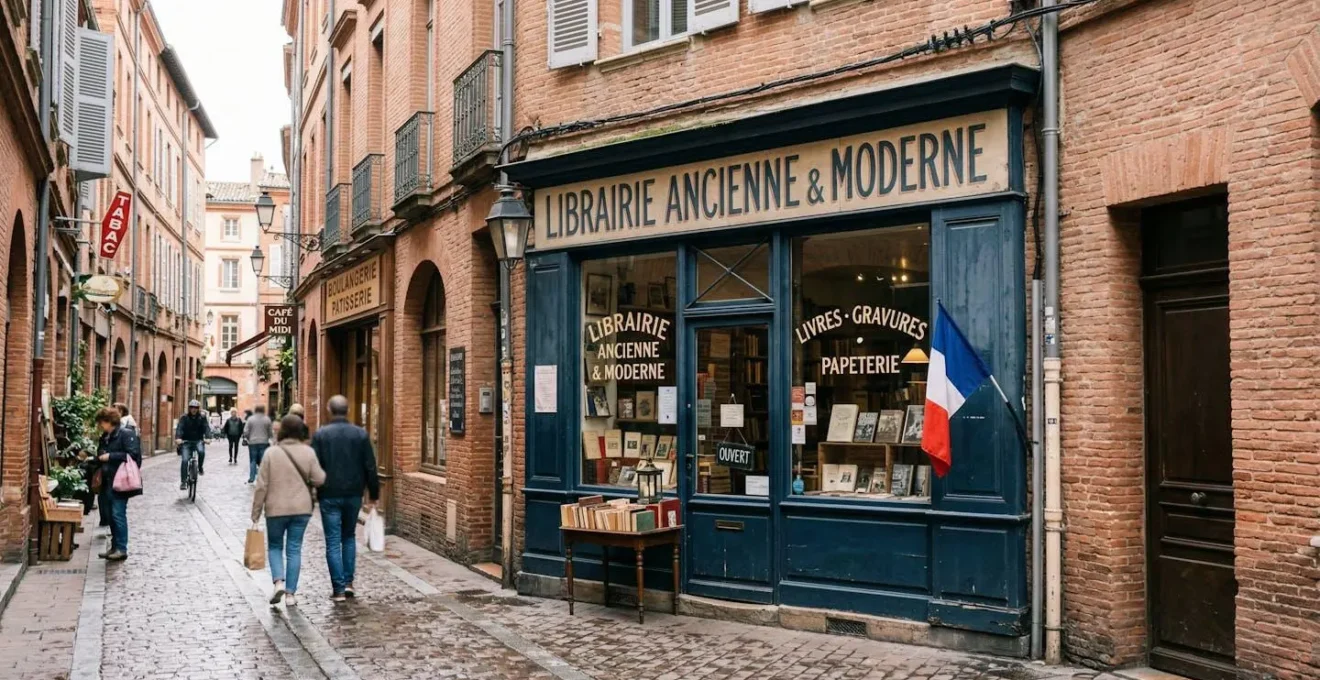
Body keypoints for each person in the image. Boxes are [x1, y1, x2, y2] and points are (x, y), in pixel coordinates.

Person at [251, 415, 326, 608]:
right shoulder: (308, 453)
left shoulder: (271, 453)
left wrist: (255, 515)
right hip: (301, 510)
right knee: (294, 549)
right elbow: (320, 479)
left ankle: (278, 583)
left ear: (282, 430)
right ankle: (291, 594)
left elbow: (261, 486)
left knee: (275, 546)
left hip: (275, 510)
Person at [312, 395, 379, 602]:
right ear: (348, 410)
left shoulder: (321, 434)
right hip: (353, 494)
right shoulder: (360, 434)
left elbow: (314, 465)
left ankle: (338, 589)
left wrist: (314, 489)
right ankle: (349, 583)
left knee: (333, 541)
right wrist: (374, 494)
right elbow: (370, 465)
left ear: (329, 409)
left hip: (329, 494)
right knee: (348, 537)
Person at [95, 406, 142, 561]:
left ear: (109, 421)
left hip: (121, 481)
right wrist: (101, 455)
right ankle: (114, 547)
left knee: (118, 514)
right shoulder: (105, 436)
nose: (100, 426)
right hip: (108, 480)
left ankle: (122, 548)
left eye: (102, 422)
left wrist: (110, 456)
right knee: (110, 515)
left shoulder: (126, 434)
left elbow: (133, 455)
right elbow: (100, 451)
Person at [175, 400, 209, 490]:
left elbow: (206, 428)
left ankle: (200, 467)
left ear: (198, 409)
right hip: (186, 442)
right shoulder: (184, 418)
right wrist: (178, 438)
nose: (193, 409)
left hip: (198, 441)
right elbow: (180, 428)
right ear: (189, 408)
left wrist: (208, 437)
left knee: (201, 452)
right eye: (192, 407)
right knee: (185, 460)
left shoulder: (202, 417)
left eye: (196, 408)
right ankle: (183, 482)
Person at [243, 405, 274, 485]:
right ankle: (262, 477)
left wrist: (249, 438)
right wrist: (268, 437)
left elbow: (245, 431)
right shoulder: (267, 419)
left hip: (252, 443)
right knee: (262, 461)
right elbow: (271, 432)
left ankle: (252, 477)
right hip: (264, 442)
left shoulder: (250, 419)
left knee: (253, 460)